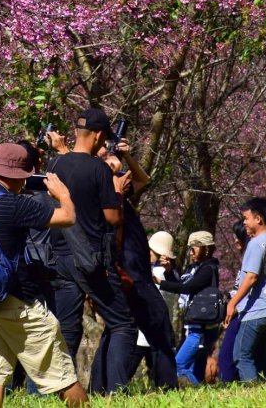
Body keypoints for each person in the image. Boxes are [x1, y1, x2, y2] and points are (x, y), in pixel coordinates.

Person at [0, 142, 87, 408]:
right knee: (63, 376)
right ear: (18, 175)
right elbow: (68, 217)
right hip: (17, 303)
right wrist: (63, 193)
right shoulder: (13, 204)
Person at [47, 109, 137, 393]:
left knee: (67, 328)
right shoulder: (98, 170)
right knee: (123, 325)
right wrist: (117, 190)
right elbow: (113, 218)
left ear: (76, 132)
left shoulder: (54, 164)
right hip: (92, 259)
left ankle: (59, 391)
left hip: (61, 257)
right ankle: (117, 392)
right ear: (98, 136)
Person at [94, 145, 177, 391]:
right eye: (106, 157)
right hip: (130, 272)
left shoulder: (116, 190)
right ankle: (166, 387)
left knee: (116, 329)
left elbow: (142, 180)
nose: (112, 159)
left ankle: (99, 388)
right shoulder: (105, 193)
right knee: (158, 325)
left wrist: (128, 156)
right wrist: (115, 181)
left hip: (134, 271)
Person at [223, 197, 266, 382]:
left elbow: (251, 276)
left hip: (256, 309)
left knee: (241, 356)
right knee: (262, 357)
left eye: (246, 218)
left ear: (258, 219)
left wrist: (233, 303)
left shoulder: (256, 243)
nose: (244, 222)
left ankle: (252, 393)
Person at [156, 230, 219, 385]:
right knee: (196, 371)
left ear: (206, 248)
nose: (190, 253)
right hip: (195, 327)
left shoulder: (208, 269)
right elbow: (181, 286)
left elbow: (188, 287)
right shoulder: (194, 268)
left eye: (194, 249)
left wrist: (161, 283)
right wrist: (169, 271)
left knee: (178, 365)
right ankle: (200, 391)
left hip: (200, 330)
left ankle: (196, 388)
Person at [212, 220, 250, 383]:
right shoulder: (246, 260)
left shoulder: (253, 259)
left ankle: (230, 388)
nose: (234, 240)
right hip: (237, 312)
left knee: (228, 359)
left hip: (243, 313)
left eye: (238, 236)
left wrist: (233, 306)